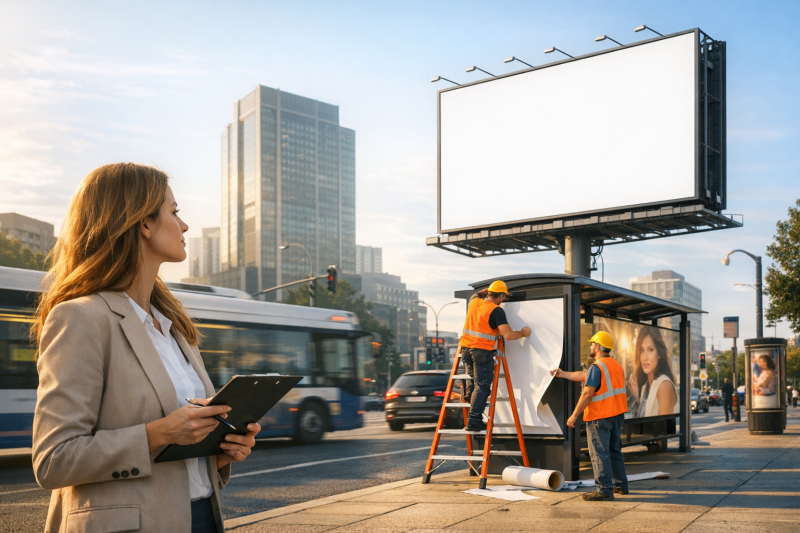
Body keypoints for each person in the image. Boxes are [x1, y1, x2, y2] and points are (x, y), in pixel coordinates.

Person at [32, 163, 260, 533]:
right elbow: (53, 460)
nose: (185, 226)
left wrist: (221, 449)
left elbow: (179, 457)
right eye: (175, 211)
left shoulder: (173, 325)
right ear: (144, 224)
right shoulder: (80, 318)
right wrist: (160, 433)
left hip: (203, 518)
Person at [551, 331, 628, 501]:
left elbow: (587, 393)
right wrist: (563, 374)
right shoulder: (615, 365)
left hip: (600, 416)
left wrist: (574, 415)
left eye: (593, 344)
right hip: (616, 415)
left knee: (599, 454)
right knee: (614, 451)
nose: (591, 346)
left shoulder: (597, 367)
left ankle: (604, 490)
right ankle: (621, 485)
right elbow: (584, 376)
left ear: (598, 347)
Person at [458, 280, 531, 432]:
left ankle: (470, 396)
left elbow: (475, 295)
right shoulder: (496, 311)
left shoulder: (474, 302)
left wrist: (485, 291)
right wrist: (523, 333)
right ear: (502, 296)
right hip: (481, 351)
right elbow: (508, 335)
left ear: (489, 293)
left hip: (465, 350)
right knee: (482, 386)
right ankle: (474, 420)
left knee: (474, 383)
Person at [627, 327, 678, 417]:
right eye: (642, 350)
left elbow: (663, 425)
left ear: (659, 353)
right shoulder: (646, 387)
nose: (645, 357)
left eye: (650, 350)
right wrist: (637, 398)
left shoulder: (664, 385)